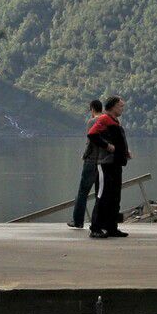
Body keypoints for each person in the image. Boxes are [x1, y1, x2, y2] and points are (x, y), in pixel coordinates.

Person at [87, 96, 131, 238]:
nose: (122, 108)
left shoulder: (115, 121)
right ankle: (95, 228)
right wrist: (107, 146)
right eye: (120, 106)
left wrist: (124, 151)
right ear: (112, 107)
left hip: (116, 163)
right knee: (103, 195)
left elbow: (117, 140)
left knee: (114, 196)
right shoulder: (104, 119)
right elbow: (92, 134)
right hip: (105, 164)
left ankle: (111, 226)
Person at [69, 98, 104, 229]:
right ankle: (98, 221)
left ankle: (77, 221)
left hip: (91, 161)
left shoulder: (92, 121)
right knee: (99, 193)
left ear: (92, 109)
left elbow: (91, 140)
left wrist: (85, 155)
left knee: (83, 192)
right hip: (103, 162)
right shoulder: (107, 121)